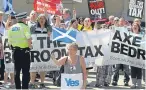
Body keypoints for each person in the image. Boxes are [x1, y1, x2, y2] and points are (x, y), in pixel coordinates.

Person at [7, 12, 32, 89]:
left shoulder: (11, 28)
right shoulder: (25, 27)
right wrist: (30, 46)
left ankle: (18, 88)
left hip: (15, 51)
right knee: (25, 72)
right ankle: (24, 88)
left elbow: (9, 41)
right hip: (24, 51)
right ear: (23, 19)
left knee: (17, 71)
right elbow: (29, 38)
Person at [30, 14, 52, 89]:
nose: (42, 20)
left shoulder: (48, 28)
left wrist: (49, 29)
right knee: (33, 67)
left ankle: (42, 83)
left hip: (44, 51)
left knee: (43, 68)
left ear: (46, 20)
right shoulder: (33, 27)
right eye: (40, 18)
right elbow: (30, 37)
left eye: (43, 18)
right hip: (35, 51)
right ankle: (32, 83)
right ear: (38, 20)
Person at [130, 22, 143, 89]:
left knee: (139, 69)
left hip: (140, 55)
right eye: (133, 26)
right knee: (133, 69)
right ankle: (133, 83)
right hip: (132, 55)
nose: (134, 27)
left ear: (138, 27)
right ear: (132, 27)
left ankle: (139, 83)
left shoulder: (142, 35)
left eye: (136, 26)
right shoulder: (129, 35)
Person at [0, 11, 5, 84]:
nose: (0, 16)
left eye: (1, 15)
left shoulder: (3, 23)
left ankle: (2, 76)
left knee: (2, 61)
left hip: (3, 44)